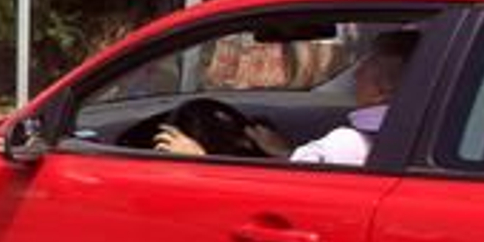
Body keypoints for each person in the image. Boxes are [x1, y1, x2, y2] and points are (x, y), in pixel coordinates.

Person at [156, 30, 417, 167]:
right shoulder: (413, 132)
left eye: (367, 66)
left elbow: (276, 198)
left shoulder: (345, 145)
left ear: (384, 89)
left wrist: (201, 160)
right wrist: (285, 153)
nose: (357, 73)